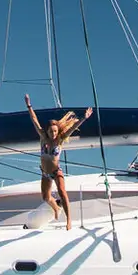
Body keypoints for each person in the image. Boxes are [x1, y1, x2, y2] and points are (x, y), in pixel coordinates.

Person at [25, 94, 93, 230]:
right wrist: (29, 106)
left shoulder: (60, 140)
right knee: (45, 198)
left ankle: (68, 220)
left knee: (62, 192)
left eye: (55, 131)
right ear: (47, 131)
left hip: (56, 172)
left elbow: (72, 128)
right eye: (51, 131)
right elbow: (34, 120)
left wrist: (84, 118)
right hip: (45, 173)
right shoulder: (43, 137)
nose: (53, 133)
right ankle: (56, 208)